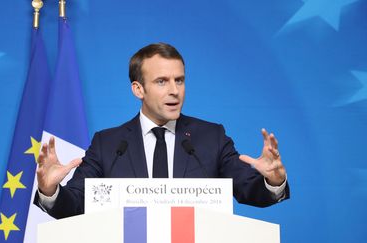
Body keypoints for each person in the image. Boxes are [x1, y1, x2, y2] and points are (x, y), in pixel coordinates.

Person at [34, 43, 289, 219]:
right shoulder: (108, 144)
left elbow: (248, 189)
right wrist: (50, 192)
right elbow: (77, 203)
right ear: (138, 89)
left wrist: (273, 181)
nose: (174, 90)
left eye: (179, 80)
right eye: (161, 81)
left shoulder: (211, 138)